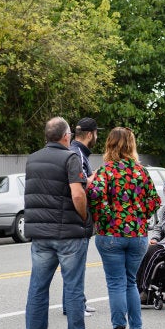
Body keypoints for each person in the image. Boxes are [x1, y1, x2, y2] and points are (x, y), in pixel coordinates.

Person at [23, 117, 99, 329]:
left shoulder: (32, 159)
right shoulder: (71, 158)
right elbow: (77, 195)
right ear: (66, 136)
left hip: (40, 235)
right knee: (74, 287)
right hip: (67, 234)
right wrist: (85, 217)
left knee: (38, 286)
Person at [88, 127, 161, 329]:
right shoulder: (141, 171)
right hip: (138, 234)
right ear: (131, 145)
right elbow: (154, 201)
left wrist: (107, 217)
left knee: (116, 282)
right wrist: (139, 217)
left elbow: (94, 195)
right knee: (131, 281)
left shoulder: (106, 171)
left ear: (110, 144)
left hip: (111, 233)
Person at [62, 117, 103, 318]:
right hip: (77, 217)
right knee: (75, 265)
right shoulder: (76, 152)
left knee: (76, 265)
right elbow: (79, 186)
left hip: (72, 218)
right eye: (96, 133)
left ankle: (78, 302)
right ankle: (74, 305)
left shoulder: (77, 151)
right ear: (89, 134)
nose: (97, 137)